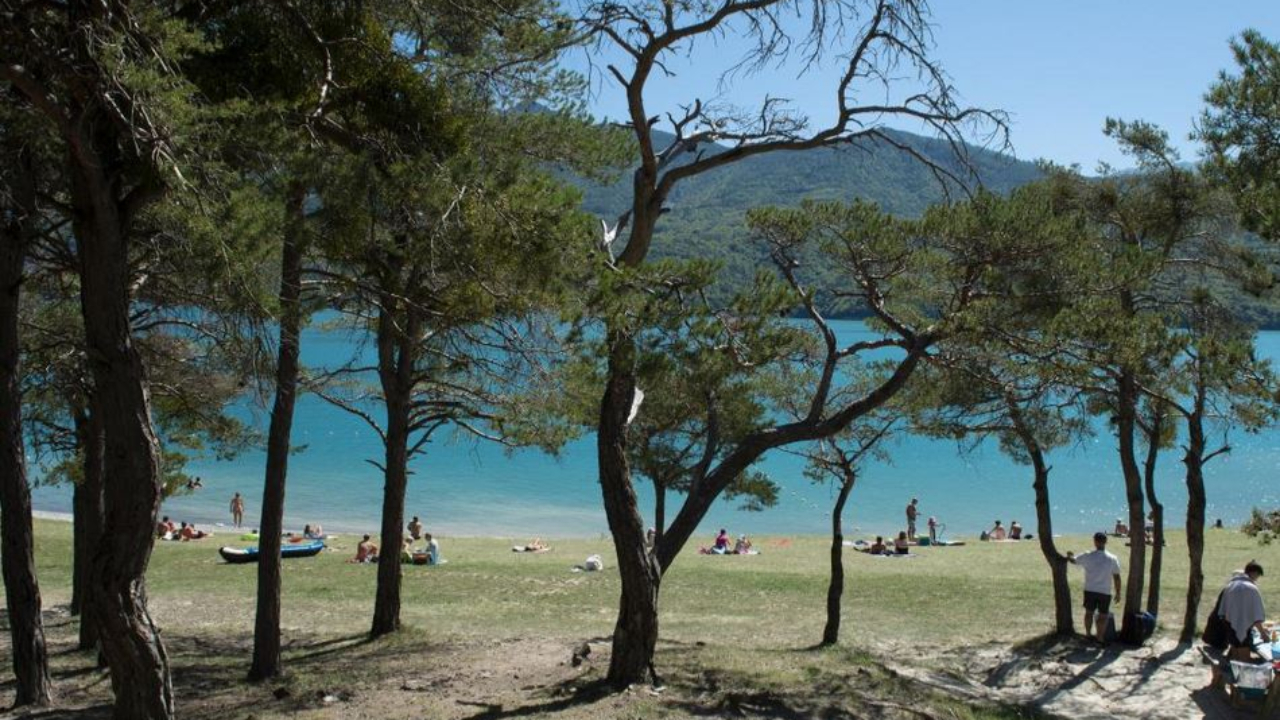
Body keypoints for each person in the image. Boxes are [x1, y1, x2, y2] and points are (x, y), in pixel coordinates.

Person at [1066, 532, 1122, 643]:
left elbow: (1073, 561)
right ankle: (1100, 638)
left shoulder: (1088, 556)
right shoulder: (1112, 558)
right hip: (1105, 591)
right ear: (1106, 542)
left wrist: (1069, 555)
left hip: (1090, 590)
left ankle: (1088, 634)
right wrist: (1118, 592)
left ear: (1095, 542)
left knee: (1089, 613)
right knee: (1103, 616)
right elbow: (1117, 577)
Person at [1219, 560, 1268, 660]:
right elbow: (1256, 616)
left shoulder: (1230, 585)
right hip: (1244, 630)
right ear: (1254, 573)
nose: (1256, 579)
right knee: (1244, 661)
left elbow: (1223, 611)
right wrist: (1263, 634)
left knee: (1236, 659)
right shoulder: (1251, 588)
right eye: (1257, 576)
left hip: (1231, 626)